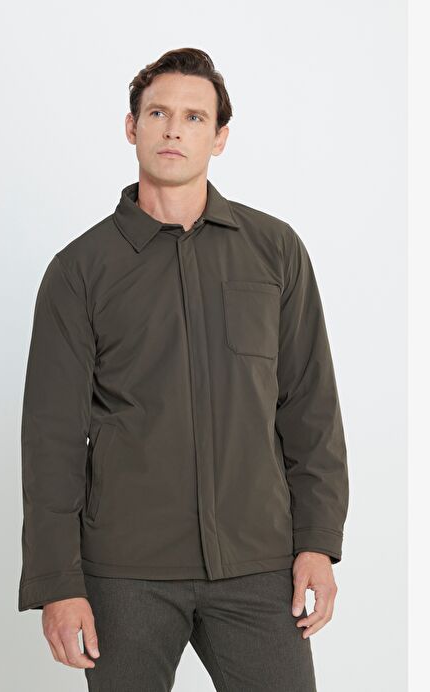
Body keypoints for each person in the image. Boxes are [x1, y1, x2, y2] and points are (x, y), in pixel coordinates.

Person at [17, 47, 349, 691]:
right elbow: (51, 439)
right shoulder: (79, 270)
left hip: (259, 566)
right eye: (158, 113)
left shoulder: (274, 250)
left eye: (195, 117)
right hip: (125, 573)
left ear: (219, 137)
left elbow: (310, 407)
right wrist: (58, 582)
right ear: (131, 127)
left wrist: (318, 540)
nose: (174, 129)